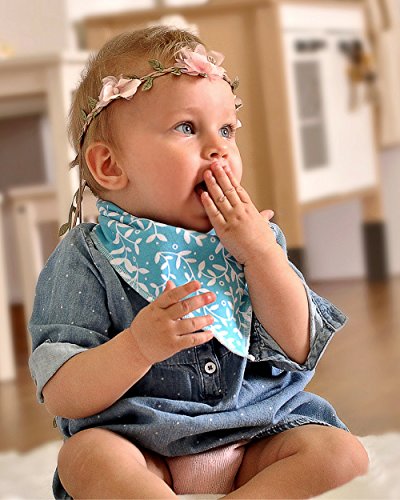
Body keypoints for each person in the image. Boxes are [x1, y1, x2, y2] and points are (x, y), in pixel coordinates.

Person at [29, 26, 368, 499]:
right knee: (84, 457)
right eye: (187, 128)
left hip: (258, 432)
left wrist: (261, 255)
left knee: (343, 454)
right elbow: (62, 393)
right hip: (140, 444)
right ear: (110, 166)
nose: (219, 148)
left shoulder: (255, 240)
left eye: (227, 130)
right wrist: (137, 347)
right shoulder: (86, 256)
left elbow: (298, 346)